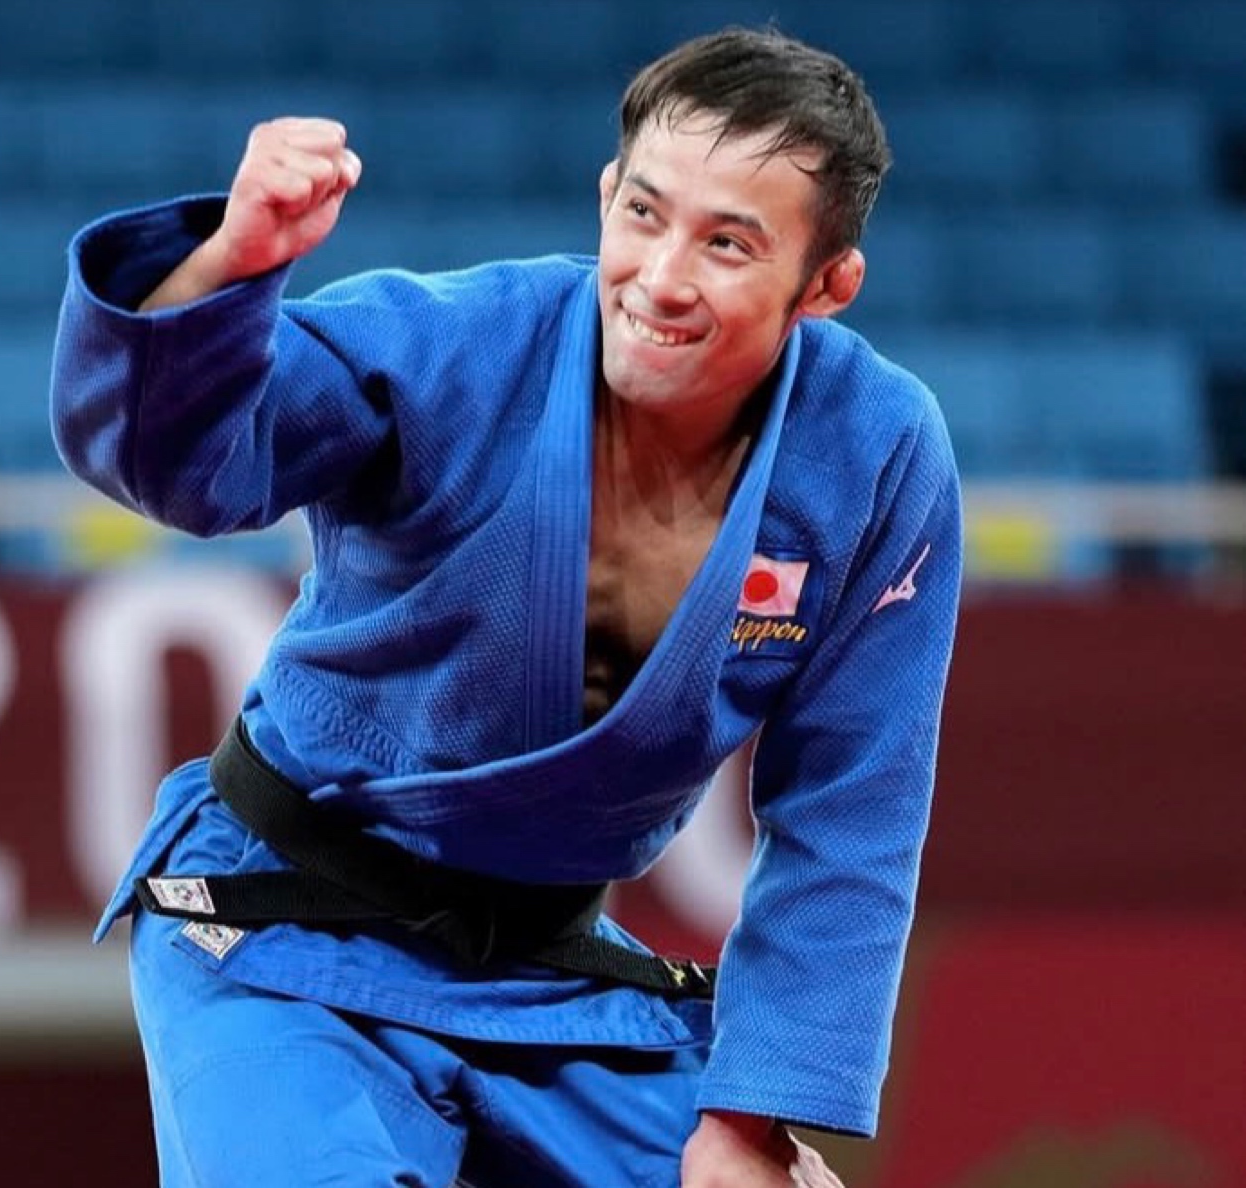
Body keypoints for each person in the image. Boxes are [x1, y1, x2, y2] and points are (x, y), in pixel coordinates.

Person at [50, 26, 960, 1188]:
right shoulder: (459, 344)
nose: (662, 277)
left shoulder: (875, 452)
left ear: (826, 286)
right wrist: (228, 269)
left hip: (544, 978)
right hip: (278, 928)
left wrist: (750, 1119)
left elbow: (853, 809)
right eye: (644, 213)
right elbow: (185, 470)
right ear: (606, 195)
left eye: (728, 244)